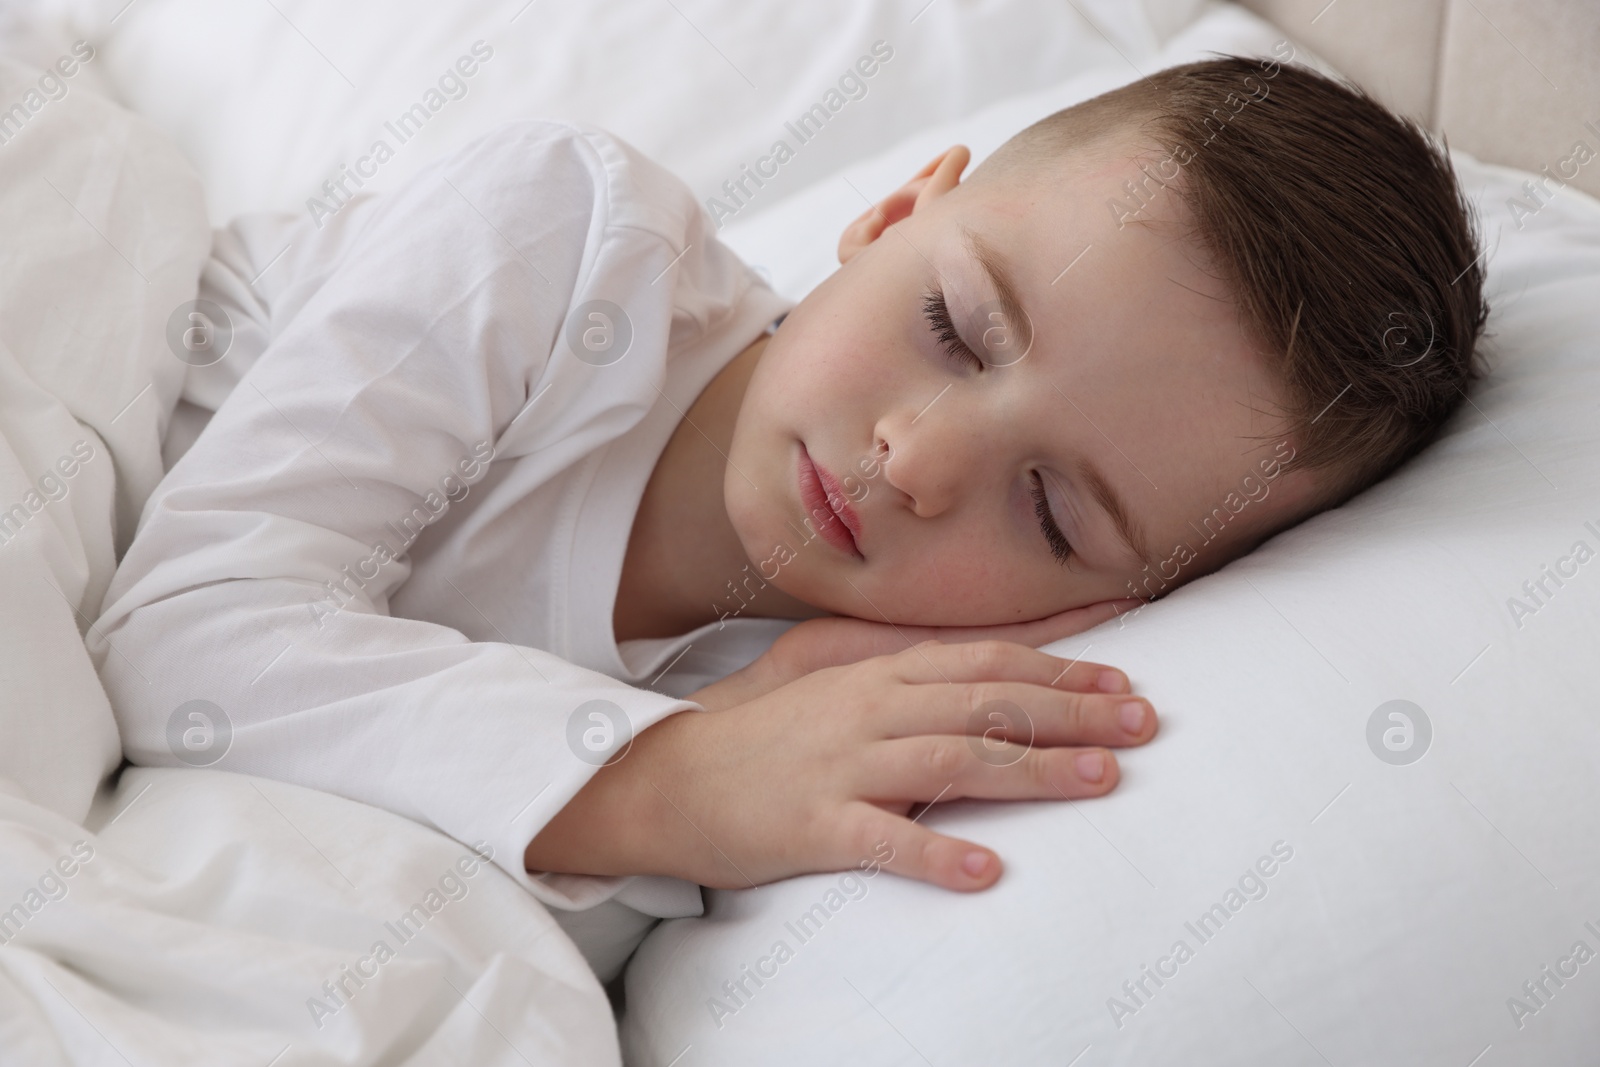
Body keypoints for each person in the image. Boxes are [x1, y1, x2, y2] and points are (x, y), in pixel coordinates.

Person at [91, 55, 1486, 975]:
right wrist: (674, 779)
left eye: (1053, 513)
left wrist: (724, 752)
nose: (918, 458)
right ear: (891, 211)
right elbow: (180, 640)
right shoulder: (568, 245)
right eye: (956, 324)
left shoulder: (810, 718)